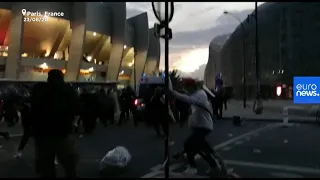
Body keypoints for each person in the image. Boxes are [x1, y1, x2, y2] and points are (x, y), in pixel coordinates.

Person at [30, 69, 80, 178]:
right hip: (62, 134)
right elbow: (77, 109)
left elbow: (33, 109)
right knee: (69, 166)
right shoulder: (68, 90)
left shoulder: (39, 90)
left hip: (42, 135)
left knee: (47, 168)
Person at [169, 78, 219, 175]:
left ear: (192, 87)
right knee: (199, 147)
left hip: (204, 126)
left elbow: (189, 100)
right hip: (199, 126)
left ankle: (193, 167)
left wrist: (175, 93)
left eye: (187, 88)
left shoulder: (201, 94)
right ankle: (214, 165)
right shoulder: (195, 94)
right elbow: (189, 100)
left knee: (188, 144)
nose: (186, 90)